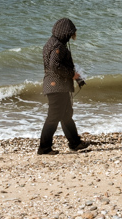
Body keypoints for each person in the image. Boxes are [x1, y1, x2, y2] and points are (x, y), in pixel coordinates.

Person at [38, 17, 91, 155]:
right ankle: (44, 148)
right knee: (53, 117)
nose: (72, 36)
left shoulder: (51, 42)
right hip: (57, 87)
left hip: (55, 86)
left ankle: (75, 143)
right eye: (71, 33)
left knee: (66, 115)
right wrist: (72, 75)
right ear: (65, 33)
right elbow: (55, 66)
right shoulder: (58, 46)